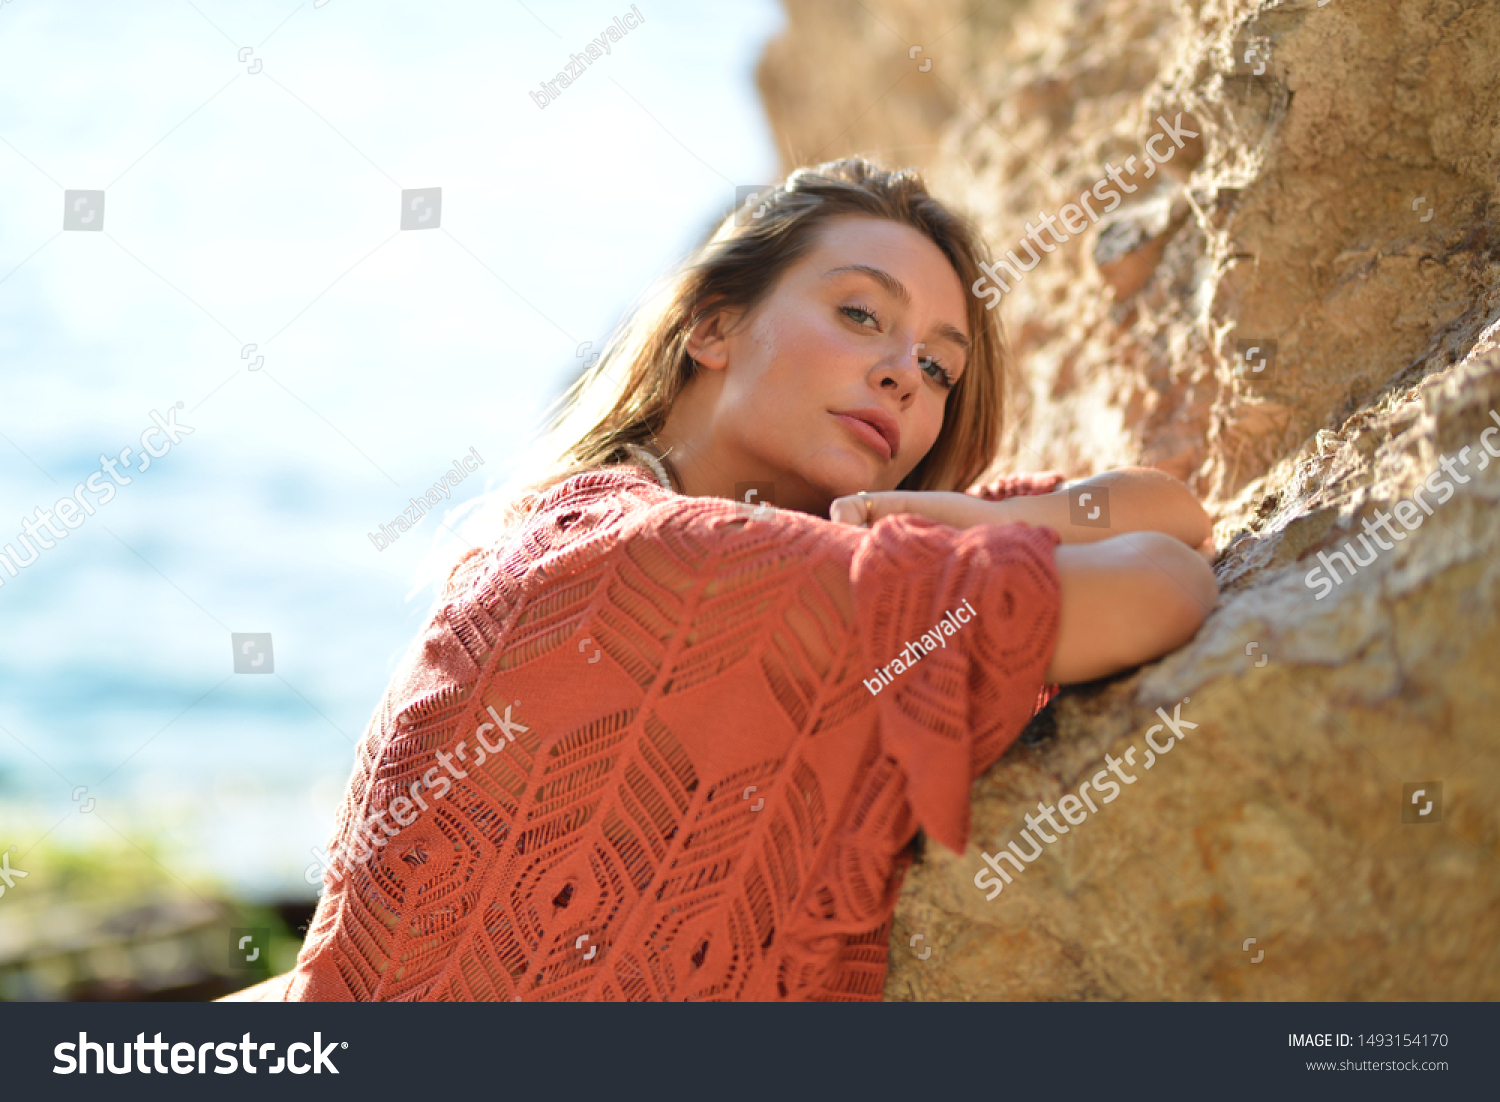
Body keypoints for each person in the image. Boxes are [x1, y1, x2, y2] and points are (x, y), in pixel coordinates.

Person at [222, 156, 1216, 1003]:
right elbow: (1161, 584)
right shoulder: (669, 562)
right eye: (862, 313)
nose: (905, 375)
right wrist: (984, 532)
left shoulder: (687, 530)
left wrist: (983, 519)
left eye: (938, 369)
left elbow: (1167, 514)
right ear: (712, 328)